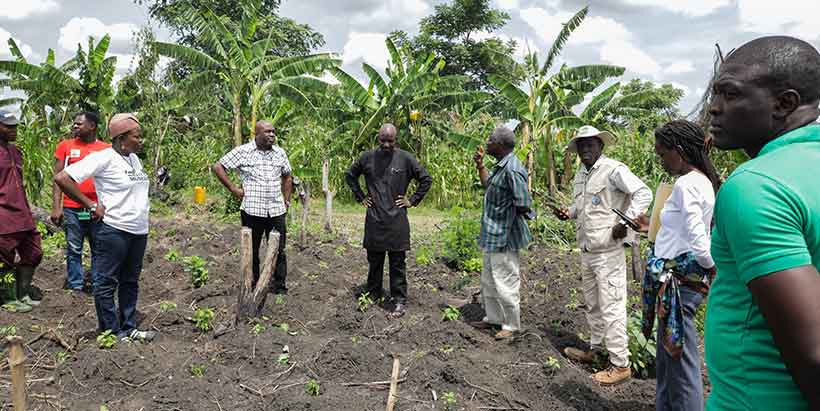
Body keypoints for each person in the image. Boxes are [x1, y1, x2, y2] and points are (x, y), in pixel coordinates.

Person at [705, 36, 820, 410]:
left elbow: (814, 353)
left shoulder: (756, 186)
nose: (713, 108)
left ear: (784, 103)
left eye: (730, 94)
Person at [555, 125, 652, 385]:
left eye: (590, 144)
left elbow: (644, 192)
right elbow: (584, 204)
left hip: (608, 252)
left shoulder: (613, 170)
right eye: (580, 146)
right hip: (588, 250)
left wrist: (628, 221)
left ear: (600, 146)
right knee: (593, 304)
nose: (585, 149)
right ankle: (596, 350)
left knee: (611, 307)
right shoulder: (581, 174)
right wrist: (570, 211)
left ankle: (620, 365)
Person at [637, 120, 720, 411]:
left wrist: (712, 269)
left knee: (680, 364)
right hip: (674, 283)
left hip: (681, 284)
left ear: (680, 150)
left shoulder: (688, 184)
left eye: (662, 154)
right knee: (668, 358)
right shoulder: (698, 182)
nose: (660, 160)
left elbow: (699, 238)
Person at [54, 113, 154, 341]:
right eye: (137, 137)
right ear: (121, 138)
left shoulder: (134, 159)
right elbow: (62, 178)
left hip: (138, 231)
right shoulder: (104, 158)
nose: (141, 141)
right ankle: (111, 330)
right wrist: (90, 204)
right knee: (106, 282)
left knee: (130, 281)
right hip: (114, 230)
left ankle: (129, 327)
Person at [345, 123, 432, 317]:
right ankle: (373, 293)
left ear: (396, 140)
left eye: (390, 141)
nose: (386, 144)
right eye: (383, 140)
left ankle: (399, 300)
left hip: (397, 221)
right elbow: (350, 176)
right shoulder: (367, 158)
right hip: (375, 218)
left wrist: (413, 200)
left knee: (397, 263)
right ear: (378, 138)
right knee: (374, 261)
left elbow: (426, 179)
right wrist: (360, 196)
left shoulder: (405, 159)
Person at [213, 121, 292, 295]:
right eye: (267, 132)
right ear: (257, 134)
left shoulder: (280, 153)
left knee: (279, 249)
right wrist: (234, 189)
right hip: (252, 211)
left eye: (273, 132)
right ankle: (253, 284)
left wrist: (286, 201)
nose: (272, 135)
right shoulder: (243, 152)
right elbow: (218, 167)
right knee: (252, 249)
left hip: (276, 210)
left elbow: (287, 177)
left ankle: (279, 286)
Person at [470, 126, 532, 340]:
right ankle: (494, 319)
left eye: (490, 140)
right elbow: (488, 185)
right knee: (489, 281)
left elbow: (523, 203)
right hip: (492, 234)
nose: (487, 143)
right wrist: (480, 165)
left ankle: (512, 325)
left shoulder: (512, 168)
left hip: (504, 236)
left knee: (506, 282)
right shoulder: (500, 166)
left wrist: (506, 218)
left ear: (501, 145)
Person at [50, 112, 110, 292]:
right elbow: (58, 178)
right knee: (74, 248)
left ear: (92, 126)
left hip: (98, 209)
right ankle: (75, 286)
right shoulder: (65, 147)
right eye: (74, 124)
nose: (75, 127)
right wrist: (56, 207)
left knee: (99, 248)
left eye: (79, 124)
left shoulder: (106, 149)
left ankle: (99, 285)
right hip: (72, 208)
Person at [0, 110, 42, 313]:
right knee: (4, 256)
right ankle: (9, 297)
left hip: (22, 212)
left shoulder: (15, 151)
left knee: (34, 251)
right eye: (8, 126)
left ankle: (23, 292)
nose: (13, 130)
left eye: (15, 126)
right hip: (3, 214)